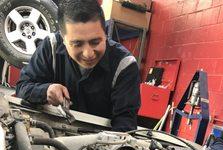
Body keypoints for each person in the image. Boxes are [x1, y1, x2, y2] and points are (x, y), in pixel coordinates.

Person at [15, 0, 140, 131]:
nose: (88, 54)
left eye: (95, 42)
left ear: (105, 33)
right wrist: (45, 91)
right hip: (52, 133)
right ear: (63, 39)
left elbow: (125, 125)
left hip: (102, 142)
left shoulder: (124, 65)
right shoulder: (51, 46)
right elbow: (22, 88)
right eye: (77, 44)